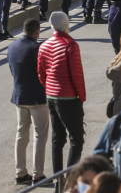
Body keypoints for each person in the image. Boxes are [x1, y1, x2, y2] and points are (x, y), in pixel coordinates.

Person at [37, 11, 86, 177]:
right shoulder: (70, 45)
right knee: (76, 138)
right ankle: (70, 179)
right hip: (69, 97)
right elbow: (77, 75)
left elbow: (41, 72)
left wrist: (49, 87)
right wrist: (81, 97)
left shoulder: (44, 45)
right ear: (66, 25)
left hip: (51, 95)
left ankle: (57, 179)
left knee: (57, 138)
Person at [8, 18, 49, 185]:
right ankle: (38, 174)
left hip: (19, 95)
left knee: (21, 135)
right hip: (37, 97)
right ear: (36, 31)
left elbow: (12, 70)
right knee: (40, 136)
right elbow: (45, 72)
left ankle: (20, 172)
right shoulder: (38, 48)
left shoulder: (11, 47)